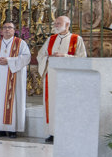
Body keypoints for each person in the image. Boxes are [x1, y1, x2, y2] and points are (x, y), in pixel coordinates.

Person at [37, 14, 87, 143]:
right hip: (51, 77)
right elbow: (40, 55)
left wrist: (65, 56)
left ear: (67, 25)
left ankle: (66, 132)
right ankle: (52, 132)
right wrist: (49, 57)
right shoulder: (51, 39)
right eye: (55, 23)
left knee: (66, 104)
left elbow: (82, 59)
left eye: (59, 23)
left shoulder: (76, 39)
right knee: (52, 104)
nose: (56, 25)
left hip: (68, 78)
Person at [0, 21, 32, 138]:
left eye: (10, 28)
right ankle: (0, 129)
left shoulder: (20, 43)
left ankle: (13, 129)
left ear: (14, 30)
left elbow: (26, 57)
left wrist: (9, 60)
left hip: (14, 78)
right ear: (1, 30)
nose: (7, 30)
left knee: (13, 101)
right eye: (4, 27)